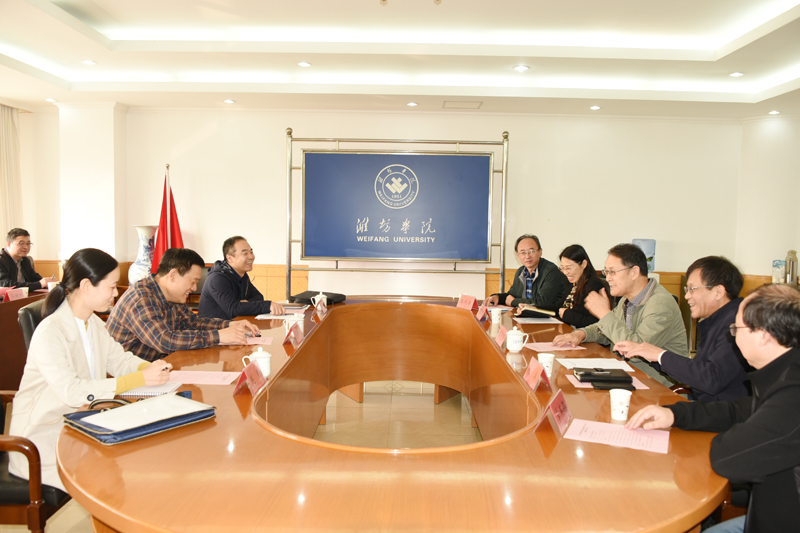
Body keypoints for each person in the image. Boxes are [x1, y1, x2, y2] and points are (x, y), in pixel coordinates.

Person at [626, 284, 800, 533]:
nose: (733, 336)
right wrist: (675, 413)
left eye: (736, 328)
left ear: (763, 335)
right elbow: (737, 411)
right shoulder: (782, 374)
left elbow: (729, 458)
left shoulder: (792, 394)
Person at [8, 248, 171, 492]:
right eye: (111, 286)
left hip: (81, 422)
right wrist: (140, 378)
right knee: (120, 475)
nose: (115, 293)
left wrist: (149, 368)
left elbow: (117, 359)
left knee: (142, 454)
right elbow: (72, 392)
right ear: (86, 286)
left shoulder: (92, 322)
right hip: (45, 439)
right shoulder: (50, 331)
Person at [615, 256, 751, 402]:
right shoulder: (718, 320)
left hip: (724, 412)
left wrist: (660, 355)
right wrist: (647, 352)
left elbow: (711, 378)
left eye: (692, 289)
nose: (686, 296)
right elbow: (698, 369)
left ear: (718, 291)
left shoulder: (738, 324)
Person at [552, 243, 687, 385]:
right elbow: (605, 329)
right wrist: (581, 334)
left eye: (612, 272)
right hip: (626, 374)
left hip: (656, 386)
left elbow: (636, 350)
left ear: (634, 272)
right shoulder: (626, 298)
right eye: (606, 272)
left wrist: (605, 314)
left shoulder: (661, 304)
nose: (608, 278)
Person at [107, 248, 260, 361]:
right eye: (193, 282)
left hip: (158, 368)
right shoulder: (141, 298)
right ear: (173, 275)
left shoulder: (172, 296)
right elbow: (164, 340)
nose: (194, 288)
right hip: (130, 379)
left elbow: (193, 322)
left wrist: (230, 325)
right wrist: (219, 336)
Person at [199, 236, 285, 320]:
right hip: (214, 328)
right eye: (245, 253)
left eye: (251, 252)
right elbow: (233, 309)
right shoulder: (217, 279)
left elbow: (258, 297)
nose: (251, 257)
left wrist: (246, 304)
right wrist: (268, 305)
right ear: (229, 258)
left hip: (234, 324)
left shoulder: (242, 275)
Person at [483, 234, 570, 310]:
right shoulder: (521, 272)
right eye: (523, 252)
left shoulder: (551, 271)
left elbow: (543, 303)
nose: (527, 256)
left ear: (540, 252)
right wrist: (497, 297)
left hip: (550, 319)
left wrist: (514, 302)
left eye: (531, 251)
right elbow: (511, 295)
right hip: (527, 317)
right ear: (518, 255)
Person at [555, 244, 611, 328]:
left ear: (584, 264)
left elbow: (595, 322)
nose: (565, 272)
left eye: (568, 268)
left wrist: (567, 314)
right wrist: (535, 309)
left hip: (584, 334)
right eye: (562, 268)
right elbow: (558, 307)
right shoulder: (575, 284)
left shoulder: (594, 286)